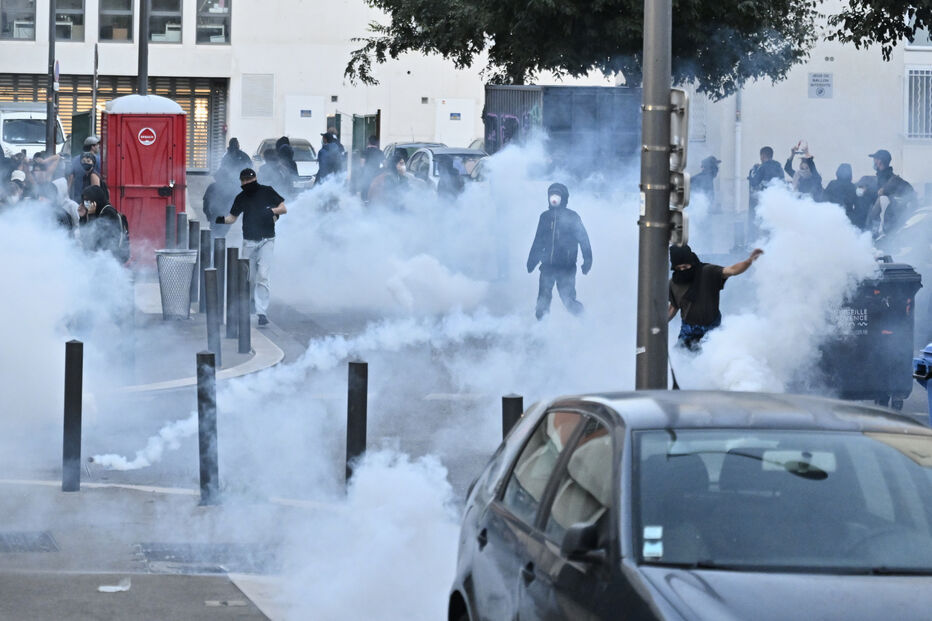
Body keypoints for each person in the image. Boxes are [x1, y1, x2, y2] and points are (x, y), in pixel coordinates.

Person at [215, 168, 287, 327]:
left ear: (255, 178)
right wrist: (219, 220)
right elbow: (232, 218)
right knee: (248, 276)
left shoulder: (267, 191)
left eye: (249, 180)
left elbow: (283, 208)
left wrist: (272, 211)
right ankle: (248, 303)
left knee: (262, 275)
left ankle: (262, 312)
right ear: (241, 182)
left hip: (267, 240)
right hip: (249, 241)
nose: (247, 183)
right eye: (244, 181)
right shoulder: (241, 197)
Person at [668, 244, 763, 350]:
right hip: (688, 330)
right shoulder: (674, 283)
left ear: (691, 262)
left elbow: (732, 270)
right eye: (678, 268)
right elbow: (674, 307)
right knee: (680, 357)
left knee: (711, 359)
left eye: (685, 267)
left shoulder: (708, 272)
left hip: (711, 329)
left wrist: (749, 261)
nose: (682, 270)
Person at [527, 183, 592, 320]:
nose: (554, 198)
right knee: (542, 301)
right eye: (551, 195)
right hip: (547, 267)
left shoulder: (572, 217)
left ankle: (586, 322)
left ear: (564, 198)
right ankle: (541, 331)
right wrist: (532, 260)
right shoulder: (544, 217)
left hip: (566, 268)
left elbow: (583, 239)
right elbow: (538, 240)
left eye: (557, 195)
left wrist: (587, 260)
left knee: (568, 300)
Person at [867, 149, 916, 237]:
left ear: (879, 161)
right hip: (886, 230)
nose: (873, 161)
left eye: (875, 159)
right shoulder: (878, 180)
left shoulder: (895, 181)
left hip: (887, 231)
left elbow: (911, 196)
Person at [747, 146, 785, 238]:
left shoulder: (762, 167)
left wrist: (753, 171)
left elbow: (754, 182)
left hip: (765, 202)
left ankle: (765, 247)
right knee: (774, 226)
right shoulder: (779, 167)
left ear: (763, 156)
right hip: (778, 201)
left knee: (765, 225)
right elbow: (782, 182)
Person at [78, 185, 123, 259]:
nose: (86, 203)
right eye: (84, 201)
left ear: (96, 199)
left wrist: (91, 215)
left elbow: (96, 237)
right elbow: (85, 236)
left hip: (110, 257)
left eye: (88, 200)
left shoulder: (108, 212)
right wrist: (82, 217)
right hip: (99, 256)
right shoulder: (95, 212)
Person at [202, 167, 239, 242]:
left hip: (216, 216)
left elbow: (206, 204)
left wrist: (208, 215)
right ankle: (216, 250)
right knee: (219, 236)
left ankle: (213, 251)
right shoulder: (230, 188)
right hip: (224, 216)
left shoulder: (212, 187)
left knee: (214, 236)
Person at [69, 136, 100, 201]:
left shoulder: (75, 159)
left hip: (77, 196)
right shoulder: (98, 160)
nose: (98, 147)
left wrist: (67, 193)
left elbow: (71, 178)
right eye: (97, 145)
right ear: (92, 147)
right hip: (91, 197)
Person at [356, 135, 383, 200]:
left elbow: (362, 164)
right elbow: (385, 164)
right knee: (375, 191)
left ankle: (365, 202)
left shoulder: (365, 151)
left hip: (366, 174)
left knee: (365, 189)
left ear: (369, 142)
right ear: (377, 142)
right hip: (377, 174)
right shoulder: (380, 152)